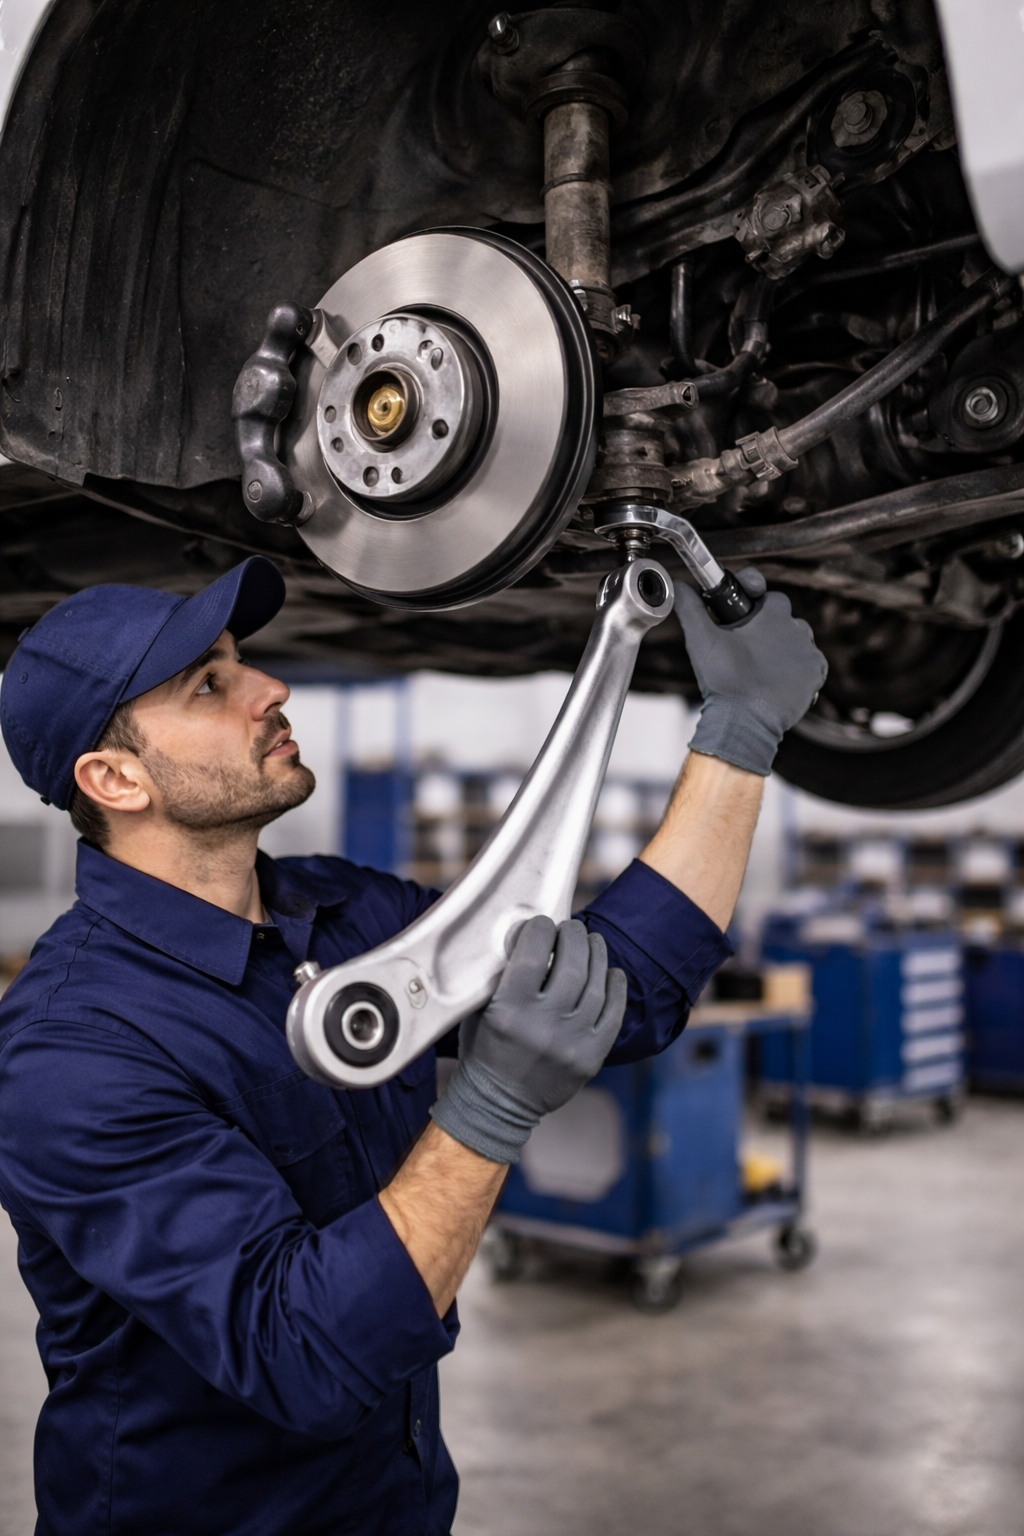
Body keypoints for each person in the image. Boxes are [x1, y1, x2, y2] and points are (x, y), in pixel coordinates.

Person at [0, 555, 825, 1536]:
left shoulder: (345, 914)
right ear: (113, 778)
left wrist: (739, 729)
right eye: (209, 686)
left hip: (398, 1504)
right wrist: (486, 1111)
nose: (271, 687)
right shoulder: (71, 1050)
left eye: (242, 661)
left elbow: (618, 996)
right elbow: (299, 1350)